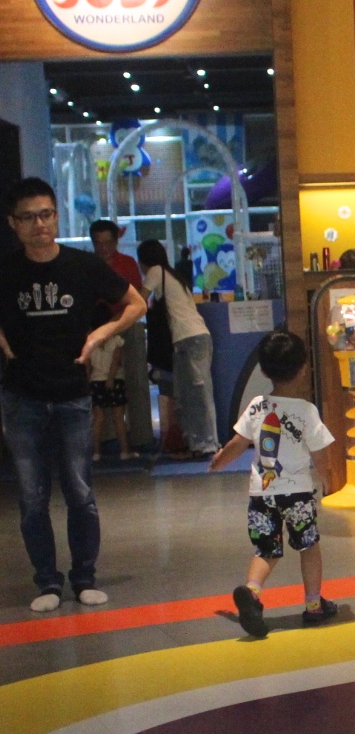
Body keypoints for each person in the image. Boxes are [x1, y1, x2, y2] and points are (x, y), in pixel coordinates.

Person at [0, 177, 145, 611]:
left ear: (57, 217)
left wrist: (102, 332)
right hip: (21, 395)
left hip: (72, 394)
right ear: (13, 223)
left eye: (45, 214)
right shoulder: (7, 268)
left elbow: (136, 303)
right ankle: (47, 582)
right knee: (31, 497)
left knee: (80, 492)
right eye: (28, 217)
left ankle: (84, 577)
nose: (39, 224)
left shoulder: (82, 266)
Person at [208, 330, 338, 638]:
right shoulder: (306, 411)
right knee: (308, 547)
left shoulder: (256, 406)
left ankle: (252, 592)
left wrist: (219, 461)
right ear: (304, 368)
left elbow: (237, 444)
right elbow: (321, 456)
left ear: (264, 371)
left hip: (262, 495)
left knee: (266, 550)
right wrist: (330, 482)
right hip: (298, 496)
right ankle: (314, 604)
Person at [136, 239, 217, 458]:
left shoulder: (155, 271)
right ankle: (198, 444)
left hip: (187, 339)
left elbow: (139, 301)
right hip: (198, 337)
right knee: (192, 394)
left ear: (144, 260)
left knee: (194, 396)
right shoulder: (174, 277)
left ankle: (204, 445)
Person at [88, 219, 152, 451]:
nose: (103, 247)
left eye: (108, 242)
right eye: (98, 243)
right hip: (98, 328)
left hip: (127, 325)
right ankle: (104, 438)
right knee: (98, 382)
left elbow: (135, 300)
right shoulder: (88, 265)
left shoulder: (127, 263)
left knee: (135, 380)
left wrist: (114, 323)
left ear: (116, 241)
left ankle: (141, 436)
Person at [86, 328, 134, 461]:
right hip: (116, 381)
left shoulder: (90, 341)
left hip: (96, 381)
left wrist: (88, 383)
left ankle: (96, 453)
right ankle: (124, 452)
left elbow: (88, 367)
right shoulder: (116, 340)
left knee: (98, 419)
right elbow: (116, 361)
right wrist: (110, 379)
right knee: (118, 418)